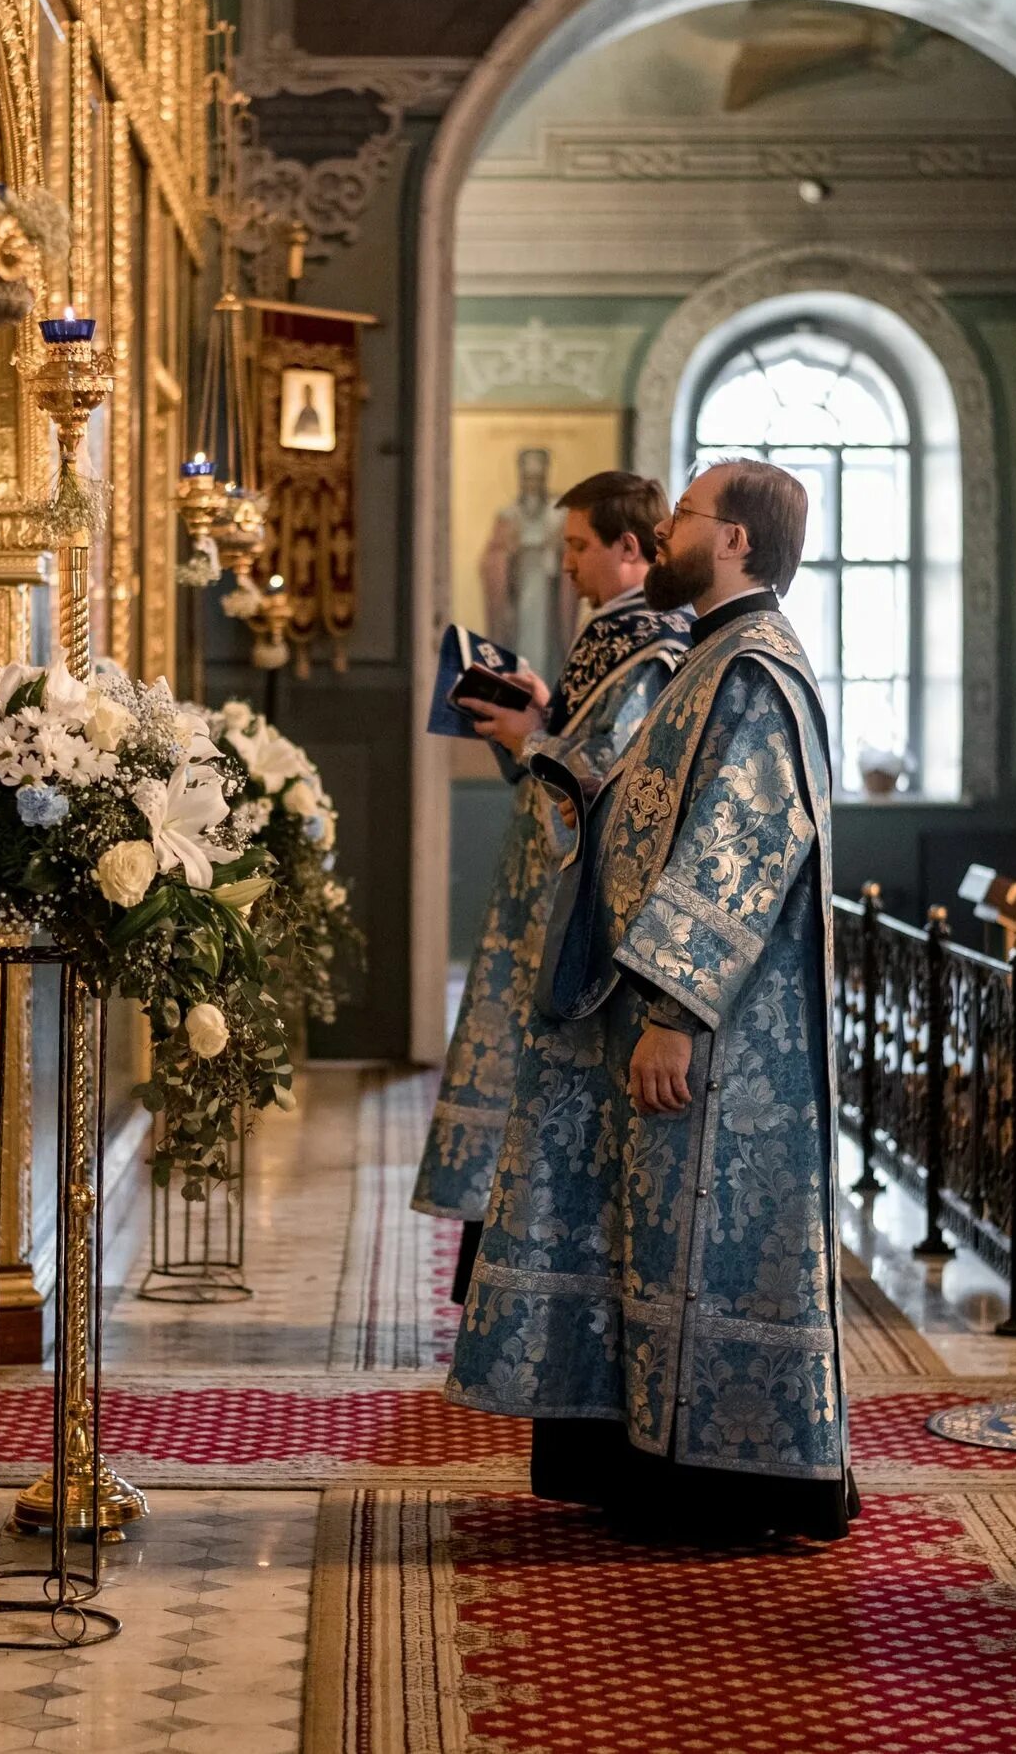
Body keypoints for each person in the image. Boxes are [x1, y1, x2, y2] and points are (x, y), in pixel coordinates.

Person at [446, 458, 853, 1542]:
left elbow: (740, 846)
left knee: (699, 1247)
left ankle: (722, 1481)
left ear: (732, 543)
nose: (663, 530)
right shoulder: (707, 659)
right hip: (650, 1012)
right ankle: (646, 1463)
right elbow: (639, 804)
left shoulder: (756, 672)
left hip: (715, 1037)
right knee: (647, 1241)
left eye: (682, 516)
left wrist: (672, 1007)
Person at [414, 473, 693, 1291]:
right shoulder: (609, 633)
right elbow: (577, 745)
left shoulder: (654, 645)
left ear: (630, 550)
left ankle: (534, 1276)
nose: (565, 564)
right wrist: (541, 717)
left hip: (582, 915)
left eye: (577, 547)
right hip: (541, 896)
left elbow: (617, 781)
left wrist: (537, 738)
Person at [479, 447, 574, 682]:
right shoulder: (508, 516)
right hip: (519, 597)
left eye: (537, 479)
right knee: (521, 647)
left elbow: (573, 556)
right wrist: (508, 554)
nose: (533, 484)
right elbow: (490, 561)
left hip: (549, 601)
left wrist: (557, 547)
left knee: (547, 652)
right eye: (528, 479)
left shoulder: (558, 514)